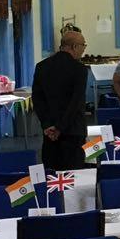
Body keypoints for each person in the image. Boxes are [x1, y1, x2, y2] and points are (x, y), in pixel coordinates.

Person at [33, 25, 90, 171]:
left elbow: (38, 99)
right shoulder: (79, 70)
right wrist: (60, 127)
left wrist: (47, 125)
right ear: (74, 46)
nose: (84, 49)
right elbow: (75, 103)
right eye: (83, 45)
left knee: (52, 176)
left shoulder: (41, 67)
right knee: (72, 177)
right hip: (73, 131)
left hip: (49, 133)